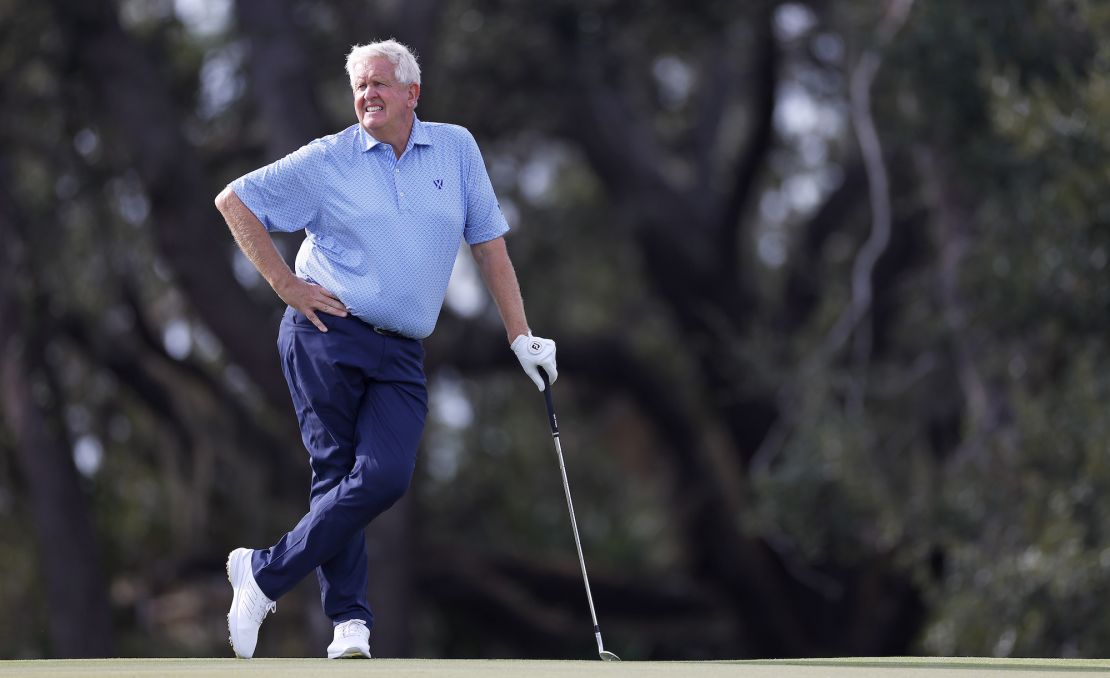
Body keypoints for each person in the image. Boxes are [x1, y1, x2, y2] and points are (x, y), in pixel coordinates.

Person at [214, 38, 557, 660]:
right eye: (358, 87)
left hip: (401, 350)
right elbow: (235, 201)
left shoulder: (456, 149)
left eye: (378, 84)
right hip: (326, 333)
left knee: (385, 475)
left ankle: (263, 573)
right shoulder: (329, 158)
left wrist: (518, 334)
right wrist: (286, 286)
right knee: (335, 473)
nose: (366, 95)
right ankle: (349, 622)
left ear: (411, 92)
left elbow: (490, 246)